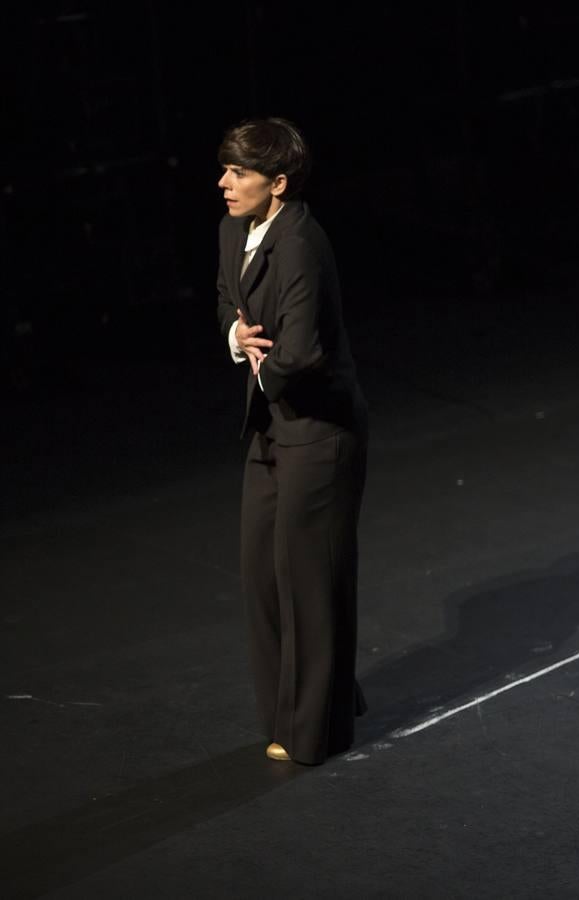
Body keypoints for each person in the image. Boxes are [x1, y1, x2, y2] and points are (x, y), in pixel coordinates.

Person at [214, 117, 369, 765]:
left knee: (306, 575)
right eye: (225, 169)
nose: (224, 183)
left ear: (276, 184)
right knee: (261, 573)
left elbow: (302, 351)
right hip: (271, 424)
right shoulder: (232, 230)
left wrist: (263, 365)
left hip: (319, 430)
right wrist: (236, 339)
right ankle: (314, 696)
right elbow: (228, 301)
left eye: (239, 173)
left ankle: (318, 729)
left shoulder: (303, 244)